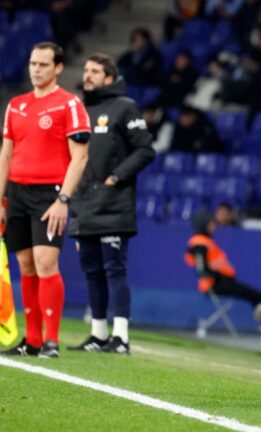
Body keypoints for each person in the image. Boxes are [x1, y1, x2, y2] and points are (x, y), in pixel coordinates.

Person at [0, 42, 91, 358]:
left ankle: (51, 341)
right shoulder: (16, 105)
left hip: (50, 194)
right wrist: (1, 199)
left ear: (59, 68)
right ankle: (32, 340)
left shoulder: (69, 105)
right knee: (25, 265)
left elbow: (80, 158)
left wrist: (63, 199)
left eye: (43, 64)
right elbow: (6, 153)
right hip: (17, 194)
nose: (36, 69)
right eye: (32, 63)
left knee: (45, 262)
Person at [66, 53, 156, 355]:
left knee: (114, 269)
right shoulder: (78, 110)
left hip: (114, 203)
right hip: (83, 203)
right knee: (91, 270)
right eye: (86, 69)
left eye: (95, 71)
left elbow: (145, 150)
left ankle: (121, 337)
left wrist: (115, 178)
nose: (88, 75)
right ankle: (98, 334)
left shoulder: (125, 107)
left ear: (109, 77)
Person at [184, 211, 261, 308]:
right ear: (203, 224)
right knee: (259, 296)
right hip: (214, 285)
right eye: (211, 223)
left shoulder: (205, 241)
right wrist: (219, 276)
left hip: (221, 283)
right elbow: (201, 269)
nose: (214, 226)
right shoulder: (200, 243)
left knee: (256, 295)